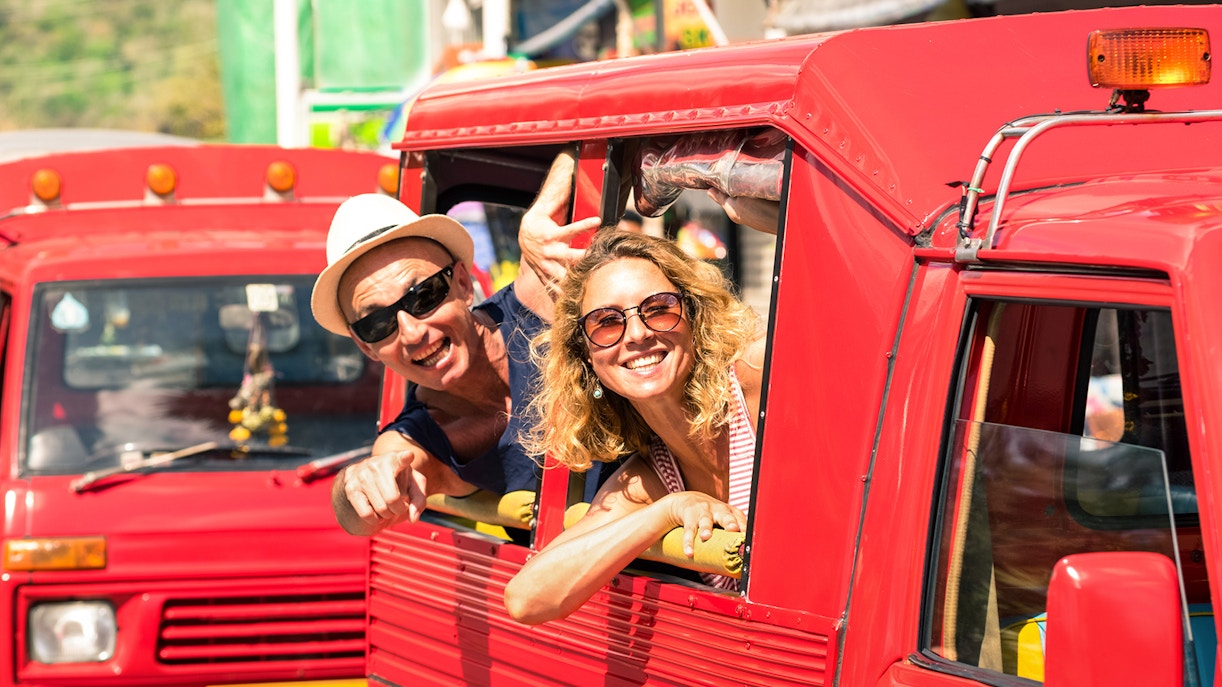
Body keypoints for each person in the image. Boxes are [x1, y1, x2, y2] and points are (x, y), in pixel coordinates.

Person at [311, 151, 600, 537]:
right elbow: (360, 510)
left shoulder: (536, 302)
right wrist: (355, 483)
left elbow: (585, 151)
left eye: (423, 295)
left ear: (463, 284)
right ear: (366, 348)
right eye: (378, 323)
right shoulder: (426, 438)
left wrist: (533, 223)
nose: (412, 333)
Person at [503, 229, 767, 625]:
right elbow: (527, 600)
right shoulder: (651, 480)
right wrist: (667, 511)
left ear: (695, 317)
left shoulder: (759, 380)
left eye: (659, 308)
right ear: (586, 355)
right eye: (607, 322)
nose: (639, 333)